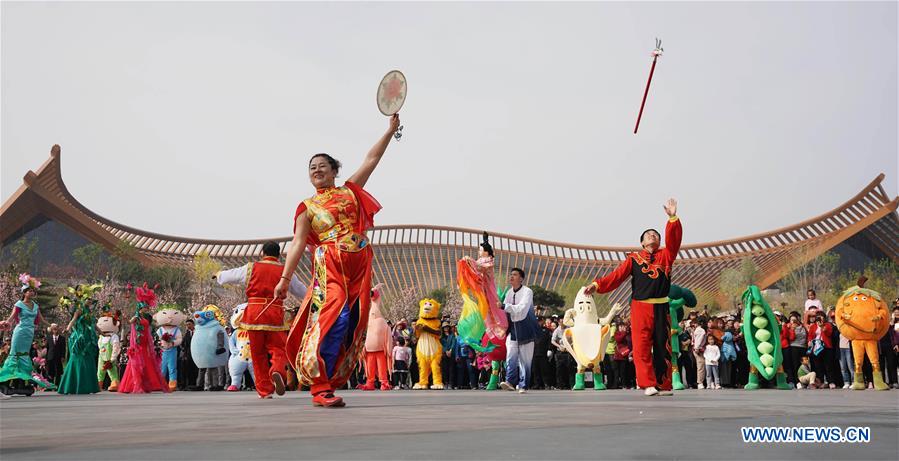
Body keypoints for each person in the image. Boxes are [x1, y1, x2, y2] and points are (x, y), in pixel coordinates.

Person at [280, 114, 400, 408]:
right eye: (312, 168)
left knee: (354, 323)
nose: (317, 170)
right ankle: (318, 383)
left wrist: (390, 130)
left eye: (322, 166)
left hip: (360, 263)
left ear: (334, 170)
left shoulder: (349, 190)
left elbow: (372, 159)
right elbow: (297, 243)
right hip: (331, 265)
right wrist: (285, 279)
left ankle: (329, 382)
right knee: (333, 318)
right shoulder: (307, 208)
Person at [584, 198, 681, 396]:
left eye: (655, 234)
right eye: (648, 235)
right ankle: (648, 384)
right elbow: (617, 276)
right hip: (640, 307)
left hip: (662, 306)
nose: (652, 236)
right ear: (642, 242)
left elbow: (674, 239)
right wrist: (597, 285)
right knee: (642, 346)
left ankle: (663, 384)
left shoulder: (667, 255)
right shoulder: (633, 259)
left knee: (663, 346)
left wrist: (672, 218)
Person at [216, 241, 307, 399]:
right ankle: (277, 371)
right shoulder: (285, 270)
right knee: (279, 349)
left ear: (262, 253)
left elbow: (230, 275)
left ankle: (265, 390)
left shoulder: (252, 267)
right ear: (279, 255)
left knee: (257, 354)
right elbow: (301, 291)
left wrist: (218, 275)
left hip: (254, 314)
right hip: (275, 314)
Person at [0, 275, 55, 394]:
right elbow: (12, 317)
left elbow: (41, 319)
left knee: (25, 355)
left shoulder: (35, 306)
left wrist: (50, 325)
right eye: (29, 291)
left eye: (33, 291)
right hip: (20, 332)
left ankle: (21, 382)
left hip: (29, 333)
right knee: (15, 355)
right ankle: (5, 381)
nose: (32, 292)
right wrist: (6, 322)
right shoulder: (19, 304)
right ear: (24, 293)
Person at [118, 285, 169, 394]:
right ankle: (136, 384)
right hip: (139, 343)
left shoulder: (145, 318)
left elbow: (150, 326)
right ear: (140, 309)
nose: (146, 309)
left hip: (145, 342)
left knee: (146, 363)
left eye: (146, 308)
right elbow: (130, 322)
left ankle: (146, 385)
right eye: (145, 308)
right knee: (137, 364)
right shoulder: (136, 317)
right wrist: (126, 318)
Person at [499, 268, 539, 394]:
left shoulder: (528, 291)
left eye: (515, 275)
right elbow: (504, 311)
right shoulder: (509, 293)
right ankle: (510, 381)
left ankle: (523, 385)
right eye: (510, 274)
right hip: (513, 330)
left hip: (526, 328)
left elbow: (521, 309)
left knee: (525, 360)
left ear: (521, 278)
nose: (511, 277)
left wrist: (504, 306)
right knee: (510, 355)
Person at [57, 286, 101, 395]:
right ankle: (73, 386)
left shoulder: (89, 312)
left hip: (88, 339)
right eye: (88, 299)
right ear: (83, 299)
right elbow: (73, 320)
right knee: (77, 359)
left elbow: (93, 324)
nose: (90, 301)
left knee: (88, 359)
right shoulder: (79, 310)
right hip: (79, 339)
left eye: (91, 299)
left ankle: (89, 386)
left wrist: (101, 332)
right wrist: (67, 329)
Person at [807, 313, 836, 388]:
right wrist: (809, 341)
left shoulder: (828, 325)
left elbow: (829, 334)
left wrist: (822, 326)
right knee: (818, 366)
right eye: (818, 317)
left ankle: (831, 382)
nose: (819, 318)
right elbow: (810, 335)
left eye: (821, 317)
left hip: (826, 347)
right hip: (817, 347)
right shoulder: (813, 326)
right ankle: (820, 381)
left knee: (828, 365)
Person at [787, 312, 807, 386]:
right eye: (792, 320)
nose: (794, 321)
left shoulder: (803, 326)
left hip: (803, 348)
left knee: (804, 365)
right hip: (794, 347)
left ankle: (804, 381)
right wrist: (792, 329)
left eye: (795, 319)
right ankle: (797, 382)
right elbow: (791, 338)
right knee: (796, 365)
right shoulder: (789, 327)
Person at [691, 318, 707, 389]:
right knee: (701, 366)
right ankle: (700, 382)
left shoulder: (697, 330)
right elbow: (699, 340)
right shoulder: (700, 330)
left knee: (700, 366)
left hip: (696, 348)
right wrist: (697, 348)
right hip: (699, 349)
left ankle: (700, 382)